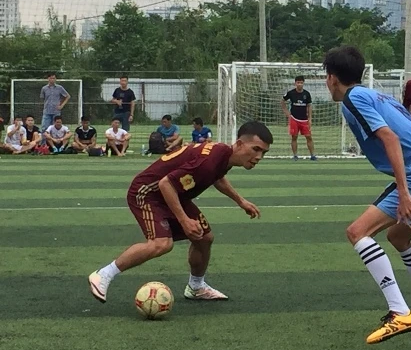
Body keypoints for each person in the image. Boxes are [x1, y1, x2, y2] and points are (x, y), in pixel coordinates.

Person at [324, 46, 411, 344]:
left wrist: (406, 192)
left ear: (332, 78)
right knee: (398, 237)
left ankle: (400, 312)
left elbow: (391, 138)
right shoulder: (378, 96)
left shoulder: (353, 99)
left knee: (357, 232)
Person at [88, 121, 273, 303]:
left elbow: (218, 177)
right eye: (256, 149)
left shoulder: (223, 154)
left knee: (204, 238)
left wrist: (240, 201)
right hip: (147, 192)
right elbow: (165, 184)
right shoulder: (209, 161)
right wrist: (184, 220)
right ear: (239, 144)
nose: (259, 157)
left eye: (263, 152)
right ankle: (103, 274)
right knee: (161, 243)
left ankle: (196, 287)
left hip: (174, 194)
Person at [281, 75, 317, 160]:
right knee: (294, 137)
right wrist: (287, 113)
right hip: (294, 118)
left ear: (303, 83)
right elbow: (282, 101)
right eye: (298, 82)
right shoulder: (291, 93)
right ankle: (295, 155)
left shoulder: (306, 94)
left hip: (304, 119)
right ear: (295, 83)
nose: (299, 84)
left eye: (301, 82)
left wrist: (310, 118)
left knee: (309, 137)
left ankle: (312, 155)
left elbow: (309, 106)